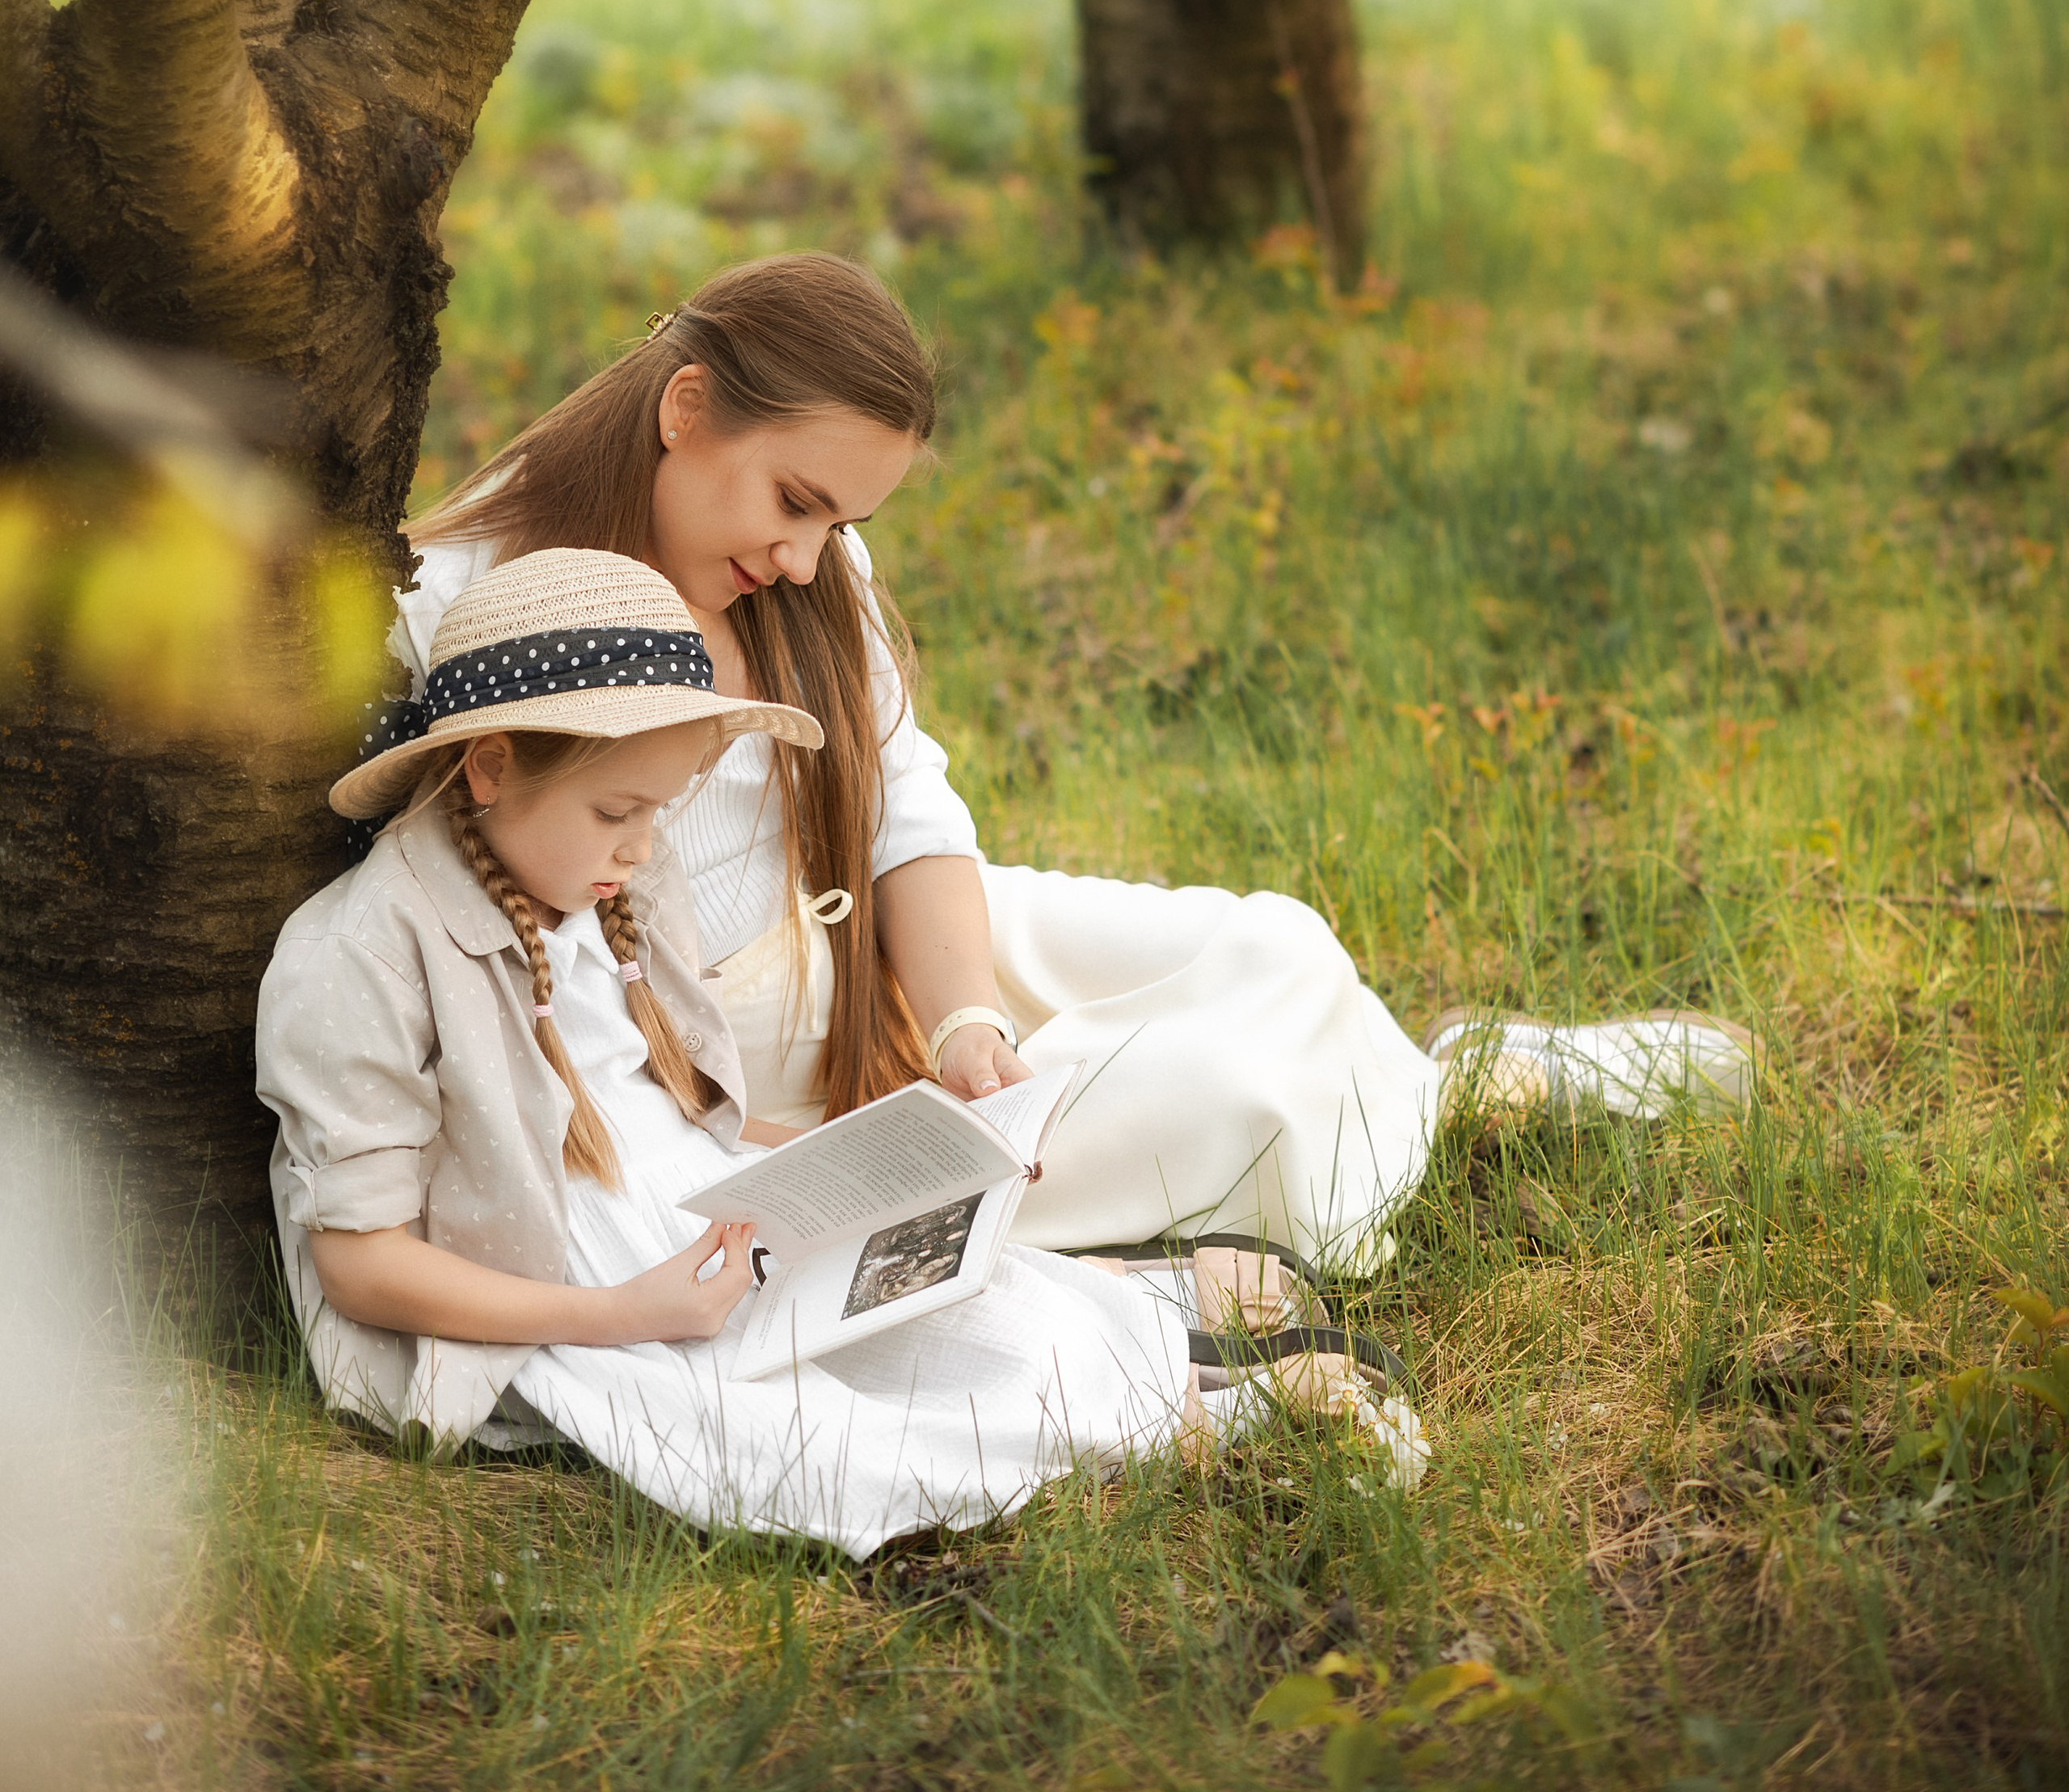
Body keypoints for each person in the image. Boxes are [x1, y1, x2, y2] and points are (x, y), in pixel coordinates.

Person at [392, 256, 1756, 1263]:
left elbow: (902, 799)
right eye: (796, 503)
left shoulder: (809, 577)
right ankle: (1422, 1106)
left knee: (1266, 945)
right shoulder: (471, 597)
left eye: (842, 521)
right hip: (726, 1062)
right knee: (1224, 1095)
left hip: (862, 936)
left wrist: (973, 1016)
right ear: (687, 408)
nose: (807, 558)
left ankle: (1438, 1083)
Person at [259, 547, 1207, 1558]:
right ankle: (1185, 1402)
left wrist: (881, 1157)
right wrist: (621, 1313)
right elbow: (362, 1265)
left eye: (659, 810)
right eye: (616, 812)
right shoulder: (362, 952)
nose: (641, 845)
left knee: (1021, 1328)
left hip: (701, 1213)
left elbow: (671, 1111)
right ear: (489, 767)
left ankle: (1174, 1372)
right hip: (556, 1283)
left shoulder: (618, 884)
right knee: (823, 1447)